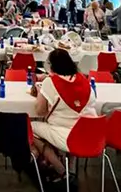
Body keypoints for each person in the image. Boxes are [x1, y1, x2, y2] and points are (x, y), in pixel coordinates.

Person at [30, 49, 96, 184]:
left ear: (51, 65)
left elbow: (40, 111)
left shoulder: (50, 82)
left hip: (66, 134)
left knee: (29, 127)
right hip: (89, 134)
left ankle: (61, 170)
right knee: (71, 123)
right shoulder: (83, 80)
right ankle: (70, 168)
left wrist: (41, 91)